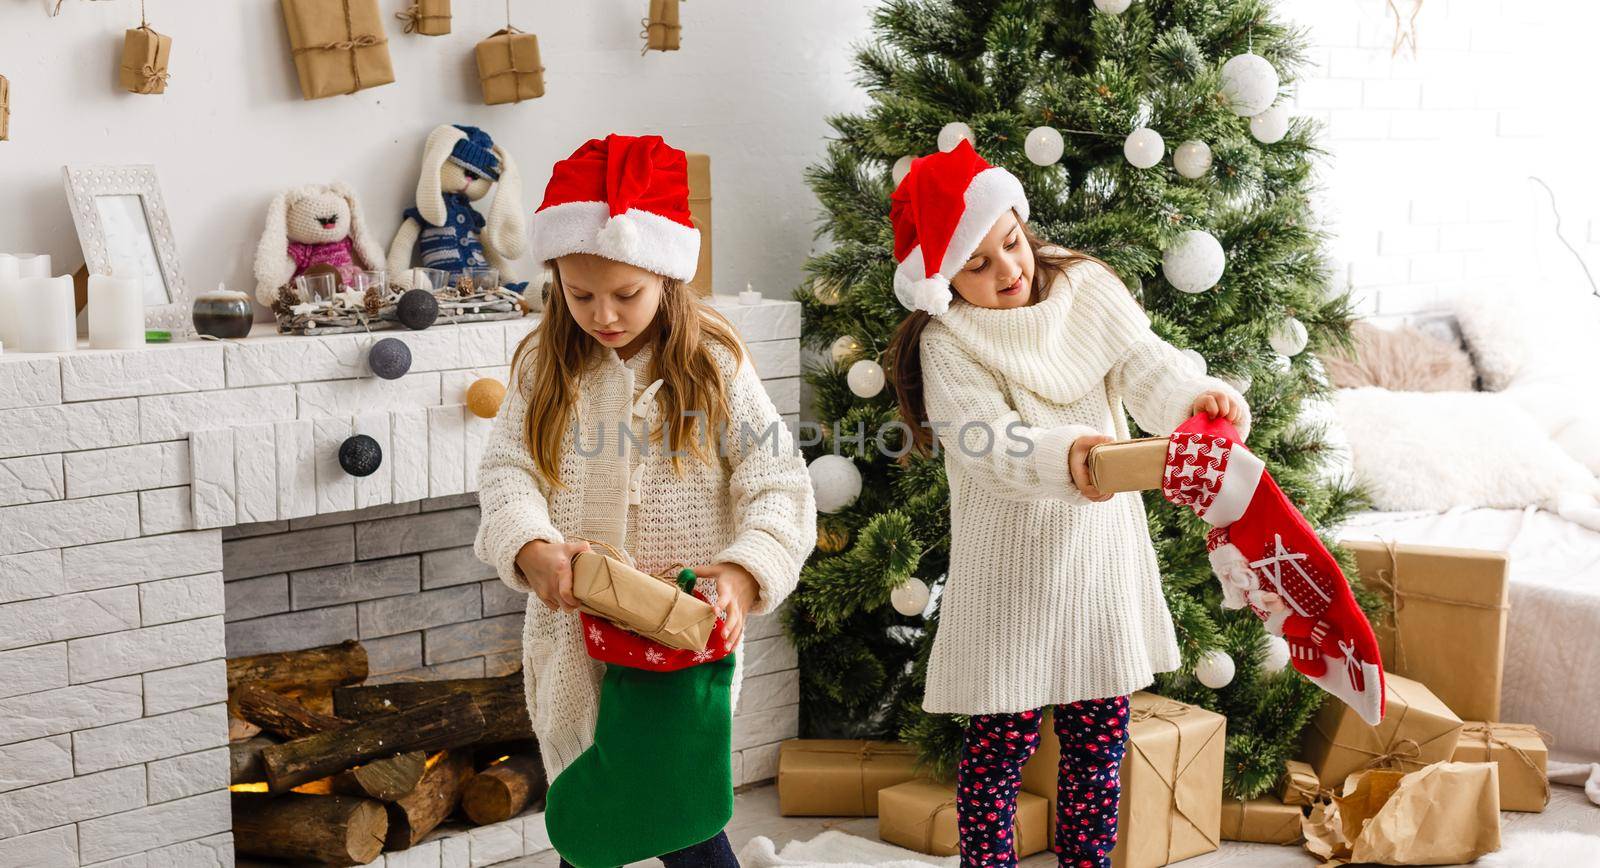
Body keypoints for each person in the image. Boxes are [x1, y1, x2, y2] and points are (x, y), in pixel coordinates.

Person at [884, 141, 1250, 868]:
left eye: (1011, 245)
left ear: (1023, 222)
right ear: (943, 279)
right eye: (977, 265)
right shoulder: (950, 341)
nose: (1008, 271)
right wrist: (1071, 454)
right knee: (999, 746)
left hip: (1097, 565)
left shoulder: (1084, 288)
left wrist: (1189, 400)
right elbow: (988, 446)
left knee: (1098, 742)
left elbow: (1145, 365)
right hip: (1009, 576)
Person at [473, 133, 816, 867]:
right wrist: (530, 545)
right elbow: (507, 471)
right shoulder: (544, 363)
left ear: (666, 274)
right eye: (581, 293)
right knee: (588, 821)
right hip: (574, 644)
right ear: (556, 276)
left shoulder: (712, 363)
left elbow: (779, 483)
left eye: (626, 294)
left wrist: (743, 574)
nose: (604, 313)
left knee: (683, 820)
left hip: (681, 636)